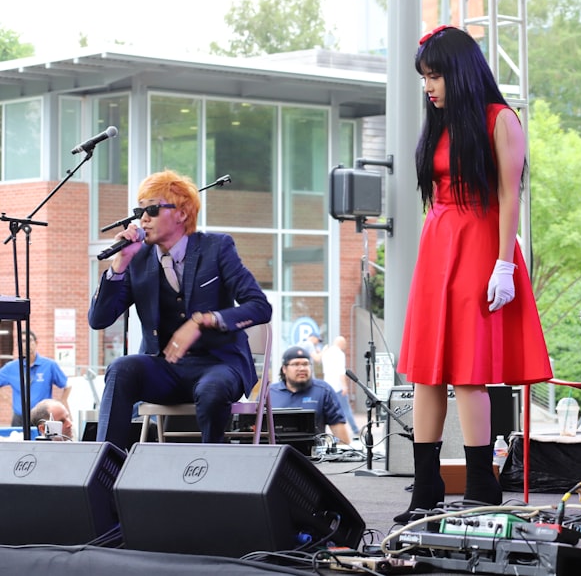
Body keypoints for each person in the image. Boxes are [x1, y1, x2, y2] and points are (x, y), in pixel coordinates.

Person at [394, 25, 552, 523]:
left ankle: (482, 484)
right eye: (424, 77)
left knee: (468, 370)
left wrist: (504, 263)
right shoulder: (441, 122)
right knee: (426, 371)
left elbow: (510, 197)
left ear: (460, 72)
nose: (429, 87)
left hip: (480, 241)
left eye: (435, 75)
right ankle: (426, 487)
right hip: (438, 242)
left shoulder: (501, 120)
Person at [89, 169, 272, 452]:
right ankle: (105, 466)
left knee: (212, 390)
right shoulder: (138, 259)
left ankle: (210, 470)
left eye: (152, 209)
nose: (143, 218)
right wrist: (120, 264)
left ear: (182, 214)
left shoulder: (217, 248)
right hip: (166, 369)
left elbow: (260, 307)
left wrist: (204, 321)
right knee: (121, 369)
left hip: (219, 364)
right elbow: (98, 319)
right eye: (140, 211)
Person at [269, 345, 350, 445]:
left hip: (314, 458)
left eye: (306, 364)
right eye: (296, 364)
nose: (302, 368)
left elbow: (342, 440)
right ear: (284, 369)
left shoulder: (324, 391)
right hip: (276, 457)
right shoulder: (269, 393)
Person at [0, 331, 70, 427]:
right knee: (18, 441)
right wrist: (8, 399)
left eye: (29, 341)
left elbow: (67, 385)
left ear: (36, 342)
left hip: (43, 418)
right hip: (20, 418)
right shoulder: (11, 367)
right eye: (22, 342)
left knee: (43, 441)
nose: (26, 345)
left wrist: (63, 401)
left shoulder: (49, 365)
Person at [316, 335, 360, 436]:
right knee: (346, 408)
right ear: (341, 343)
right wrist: (344, 386)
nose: (345, 346)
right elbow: (341, 371)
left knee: (327, 410)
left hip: (328, 384)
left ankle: (322, 432)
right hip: (337, 386)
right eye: (344, 344)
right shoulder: (339, 354)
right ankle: (355, 429)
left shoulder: (326, 353)